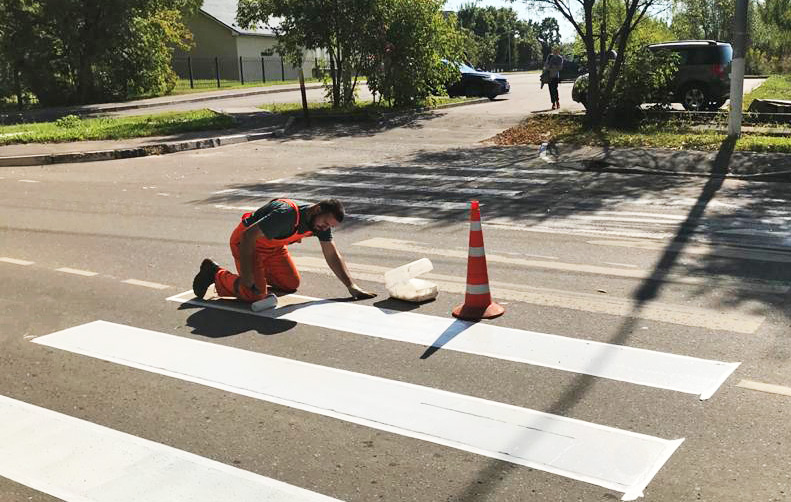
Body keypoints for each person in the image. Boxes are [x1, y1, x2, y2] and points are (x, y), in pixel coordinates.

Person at [192, 198, 376, 303]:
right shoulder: (286, 215)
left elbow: (331, 253)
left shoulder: (319, 223)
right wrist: (248, 276)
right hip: (247, 244)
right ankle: (215, 274)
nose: (325, 228)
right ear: (317, 209)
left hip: (273, 248)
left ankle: (258, 278)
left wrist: (351, 286)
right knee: (255, 295)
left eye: (330, 226)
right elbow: (248, 237)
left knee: (290, 284)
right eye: (325, 223)